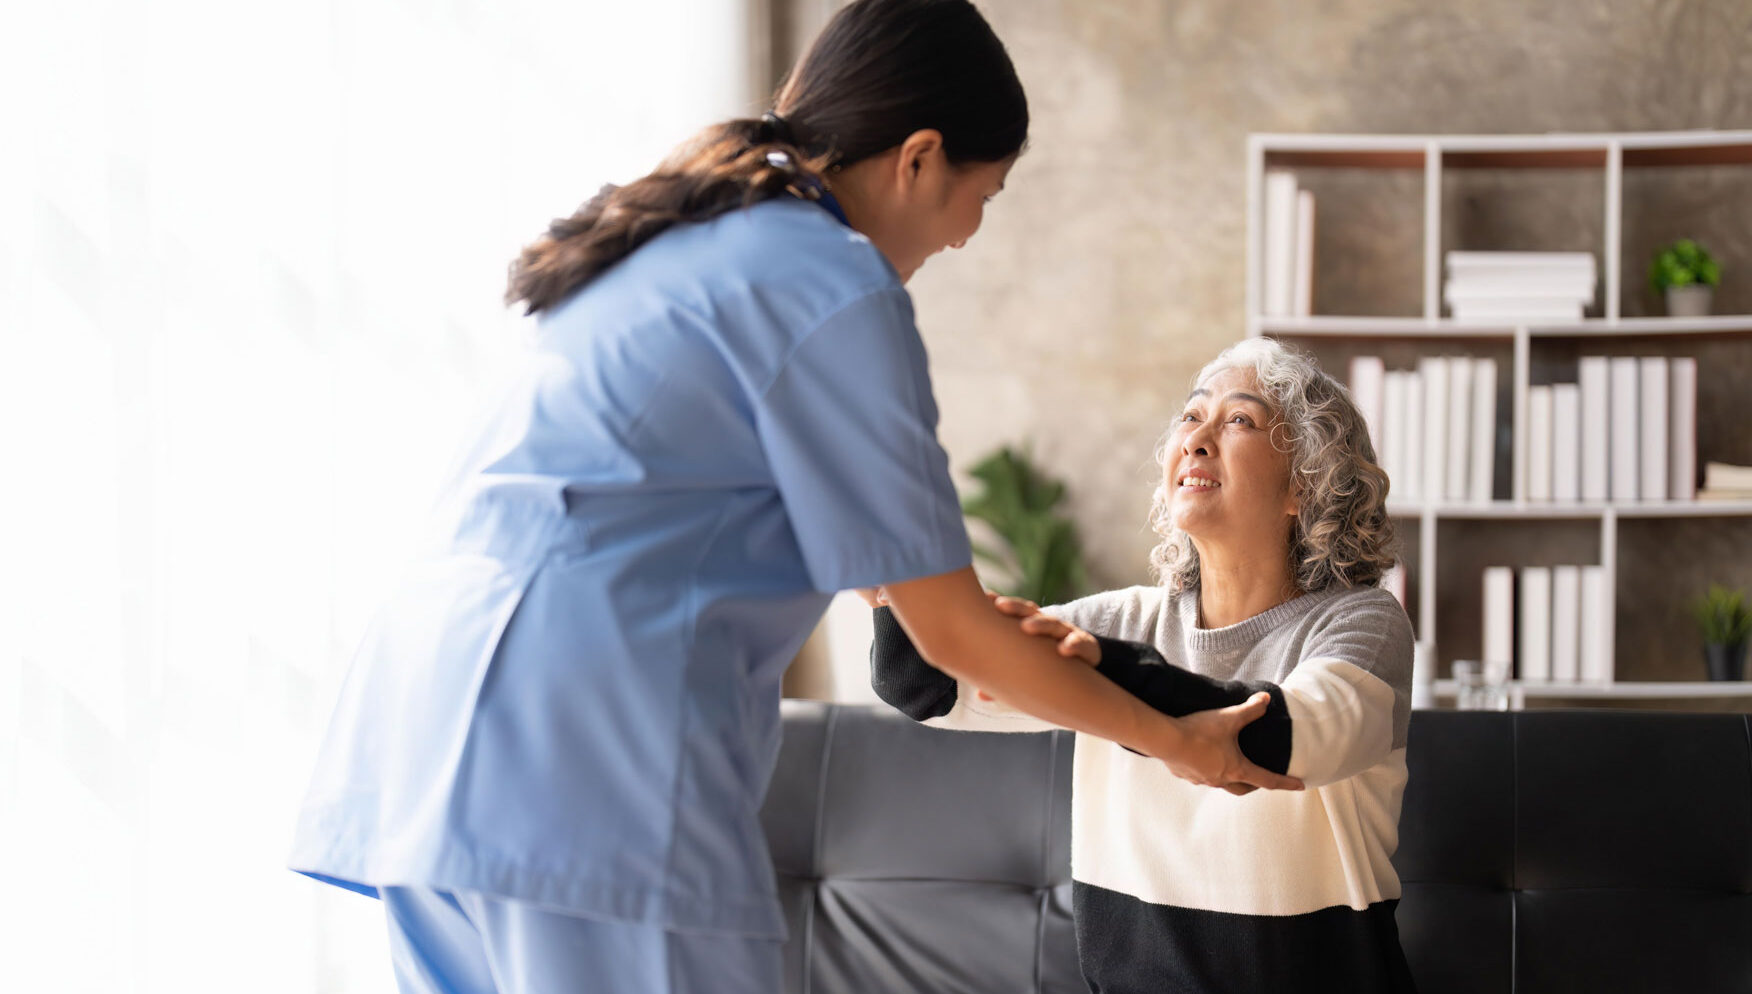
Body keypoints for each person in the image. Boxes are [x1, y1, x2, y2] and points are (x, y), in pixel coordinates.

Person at [288, 3, 1292, 992]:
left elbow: (895, 588)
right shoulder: (832, 280)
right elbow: (945, 635)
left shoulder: (680, 242)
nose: (968, 235)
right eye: (983, 194)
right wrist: (1172, 738)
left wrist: (989, 628)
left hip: (425, 742)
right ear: (919, 156)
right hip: (584, 761)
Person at [872, 336, 1419, 993]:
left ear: (1304, 484)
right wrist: (891, 531)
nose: (1197, 437)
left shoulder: (1362, 623)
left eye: (1238, 419)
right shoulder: (1121, 624)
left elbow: (1288, 739)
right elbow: (928, 686)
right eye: (1191, 416)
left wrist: (1105, 668)